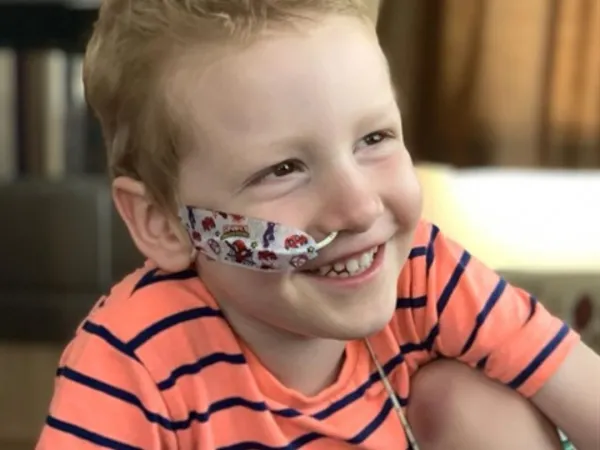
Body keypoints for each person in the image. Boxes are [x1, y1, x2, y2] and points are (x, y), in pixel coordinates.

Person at [36, 1, 600, 449]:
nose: (358, 208)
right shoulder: (134, 355)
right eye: (282, 170)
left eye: (374, 139)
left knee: (467, 401)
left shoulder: (422, 273)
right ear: (164, 224)